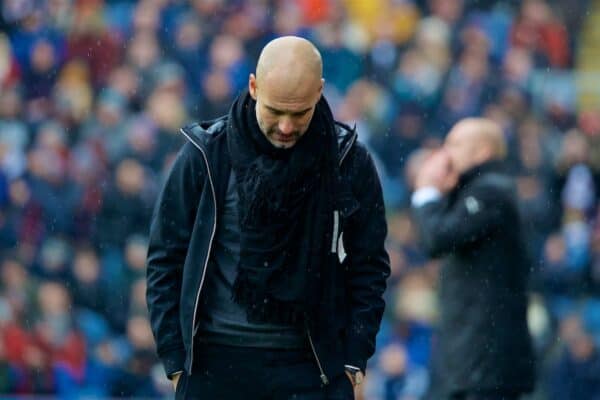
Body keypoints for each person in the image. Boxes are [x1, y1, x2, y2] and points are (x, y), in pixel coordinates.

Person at [146, 36, 390, 399]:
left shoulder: (348, 162)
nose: (287, 127)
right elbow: (165, 259)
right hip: (215, 366)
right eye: (276, 111)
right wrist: (175, 361)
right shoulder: (205, 155)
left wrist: (354, 361)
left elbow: (369, 265)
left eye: (300, 113)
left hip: (312, 368)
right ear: (253, 86)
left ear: (321, 92)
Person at [410, 118, 536, 400]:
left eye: (454, 144)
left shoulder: (492, 191)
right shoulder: (478, 191)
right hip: (474, 360)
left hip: (487, 361)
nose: (445, 153)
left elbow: (437, 237)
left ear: (482, 151)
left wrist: (426, 192)